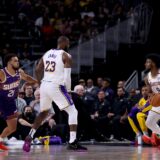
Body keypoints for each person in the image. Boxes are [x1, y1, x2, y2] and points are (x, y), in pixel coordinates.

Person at [23, 36, 87, 152]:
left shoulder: (47, 53)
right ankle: (73, 142)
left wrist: (39, 83)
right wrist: (68, 91)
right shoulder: (66, 55)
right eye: (68, 43)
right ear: (65, 43)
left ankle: (30, 136)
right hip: (56, 86)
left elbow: (37, 70)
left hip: (44, 85)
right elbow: (67, 77)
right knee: (73, 111)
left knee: (43, 113)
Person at [0, 53, 38, 150]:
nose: (18, 62)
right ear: (9, 63)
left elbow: (27, 78)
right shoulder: (2, 73)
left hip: (10, 103)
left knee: (13, 128)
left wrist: (37, 81)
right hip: (1, 101)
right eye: (15, 61)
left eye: (18, 60)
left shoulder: (19, 73)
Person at [142, 53, 160, 146]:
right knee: (149, 123)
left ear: (154, 63)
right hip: (156, 103)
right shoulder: (147, 77)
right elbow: (149, 91)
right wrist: (150, 96)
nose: (146, 64)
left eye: (148, 62)